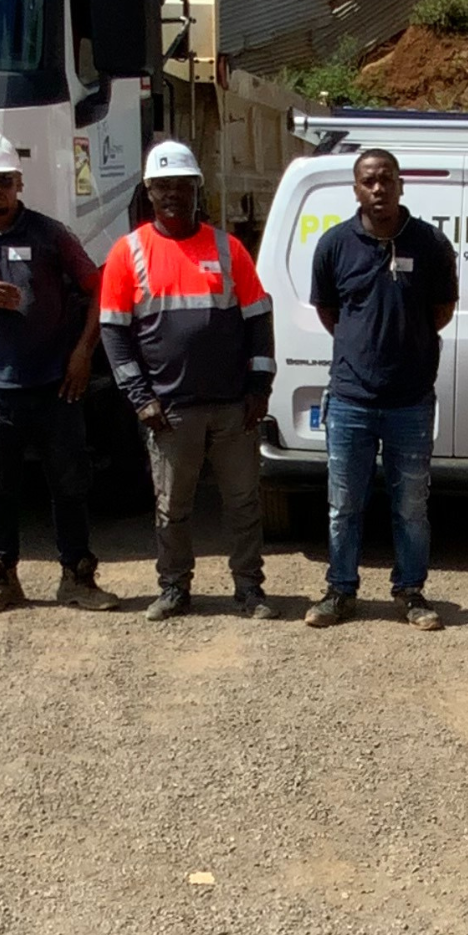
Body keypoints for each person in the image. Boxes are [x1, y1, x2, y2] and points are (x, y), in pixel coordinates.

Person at [0, 131, 120, 616]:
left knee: (69, 483)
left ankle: (77, 578)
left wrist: (82, 353)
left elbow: (100, 289)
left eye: (4, 181)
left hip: (55, 385)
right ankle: (1, 582)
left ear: (18, 182)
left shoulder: (50, 235)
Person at [100, 141, 277, 621]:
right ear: (149, 193)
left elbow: (259, 320)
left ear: (197, 189)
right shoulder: (128, 252)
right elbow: (114, 333)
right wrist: (140, 398)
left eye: (182, 186)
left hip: (232, 405)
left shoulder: (228, 248)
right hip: (169, 410)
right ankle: (174, 587)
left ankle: (249, 589)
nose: (173, 195)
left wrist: (259, 388)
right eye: (163, 187)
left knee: (243, 503)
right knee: (172, 506)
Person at [304, 148, 459, 629]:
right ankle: (339, 591)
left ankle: (411, 592)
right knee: (343, 504)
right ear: (356, 189)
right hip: (351, 399)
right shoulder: (334, 245)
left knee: (411, 506)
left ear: (400, 185)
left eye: (386, 179)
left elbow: (441, 312)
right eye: (368, 181)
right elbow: (330, 313)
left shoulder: (431, 244)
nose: (378, 188)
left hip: (410, 401)